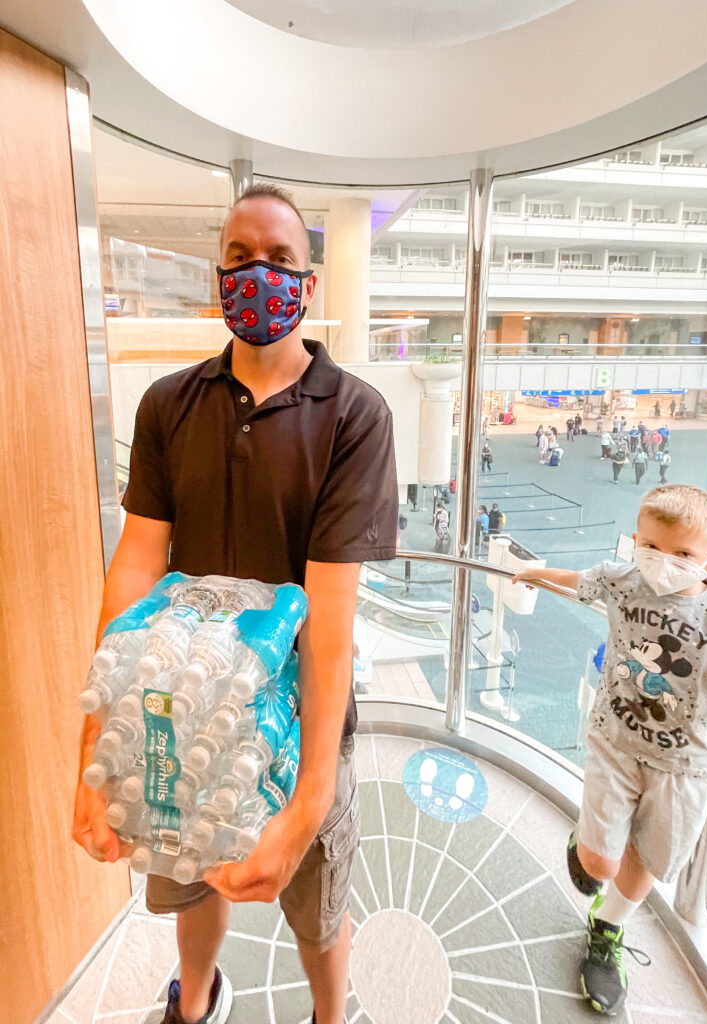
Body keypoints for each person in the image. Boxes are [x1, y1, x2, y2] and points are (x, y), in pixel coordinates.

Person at [72, 183, 399, 1024]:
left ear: (310, 282)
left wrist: (312, 800)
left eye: (281, 260)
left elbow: (329, 618)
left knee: (316, 910)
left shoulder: (355, 415)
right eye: (240, 259)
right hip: (176, 714)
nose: (259, 275)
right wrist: (96, 750)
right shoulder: (166, 406)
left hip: (302, 725)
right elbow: (134, 569)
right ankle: (198, 1000)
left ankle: (333, 1016)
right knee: (188, 879)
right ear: (218, 277)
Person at [513, 485, 707, 1015]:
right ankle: (588, 843)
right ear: (636, 539)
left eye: (683, 555)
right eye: (651, 545)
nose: (663, 562)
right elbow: (580, 583)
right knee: (598, 861)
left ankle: (607, 929)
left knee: (647, 859)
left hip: (684, 766)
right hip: (615, 743)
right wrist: (536, 574)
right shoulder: (624, 580)